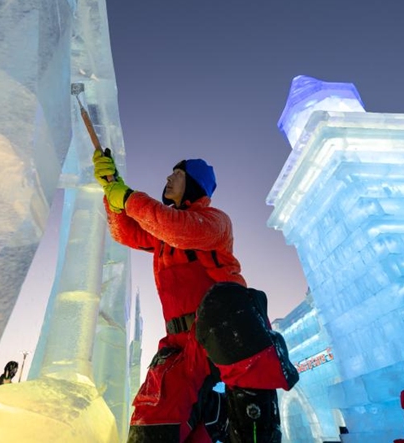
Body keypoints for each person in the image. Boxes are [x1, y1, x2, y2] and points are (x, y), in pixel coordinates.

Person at [93, 150, 299, 443]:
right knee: (154, 416)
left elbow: (174, 227)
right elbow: (128, 232)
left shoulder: (213, 222)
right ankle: (212, 414)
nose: (167, 177)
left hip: (225, 339)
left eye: (176, 174)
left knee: (228, 302)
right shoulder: (162, 231)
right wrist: (111, 186)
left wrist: (126, 197)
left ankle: (251, 421)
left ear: (193, 184)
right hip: (179, 345)